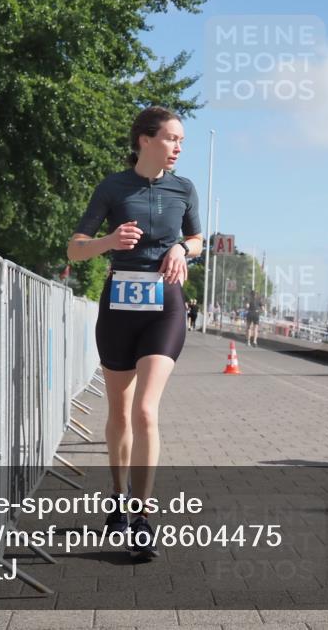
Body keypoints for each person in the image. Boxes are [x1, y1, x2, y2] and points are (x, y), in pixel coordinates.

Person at [67, 106, 202, 560]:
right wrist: (109, 242)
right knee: (120, 413)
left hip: (165, 306)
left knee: (146, 410)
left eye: (182, 140)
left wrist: (184, 248)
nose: (179, 147)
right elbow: (76, 247)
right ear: (145, 140)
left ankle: (143, 518)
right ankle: (118, 496)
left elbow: (199, 239)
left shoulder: (184, 188)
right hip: (119, 307)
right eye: (172, 138)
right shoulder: (112, 187)